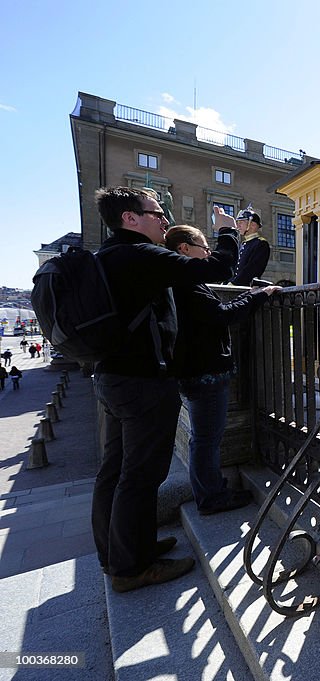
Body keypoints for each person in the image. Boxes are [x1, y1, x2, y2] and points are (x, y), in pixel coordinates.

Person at [90, 186, 240, 593]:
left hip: (111, 377)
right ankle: (130, 567)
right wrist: (228, 232)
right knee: (140, 476)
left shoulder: (106, 256)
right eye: (156, 213)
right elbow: (217, 269)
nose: (165, 221)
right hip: (141, 382)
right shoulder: (140, 254)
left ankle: (119, 553)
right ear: (130, 219)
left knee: (115, 472)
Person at [164, 225, 280, 515]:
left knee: (202, 438)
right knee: (206, 439)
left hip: (195, 371)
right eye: (204, 247)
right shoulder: (185, 281)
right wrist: (258, 296)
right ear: (184, 249)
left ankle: (209, 491)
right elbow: (221, 315)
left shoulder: (178, 279)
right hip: (204, 373)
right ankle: (211, 496)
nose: (207, 254)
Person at [228, 207, 270, 286]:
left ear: (253, 225)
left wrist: (234, 283)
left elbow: (251, 269)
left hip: (246, 287)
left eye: (241, 222)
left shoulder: (261, 243)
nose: (238, 226)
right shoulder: (243, 243)